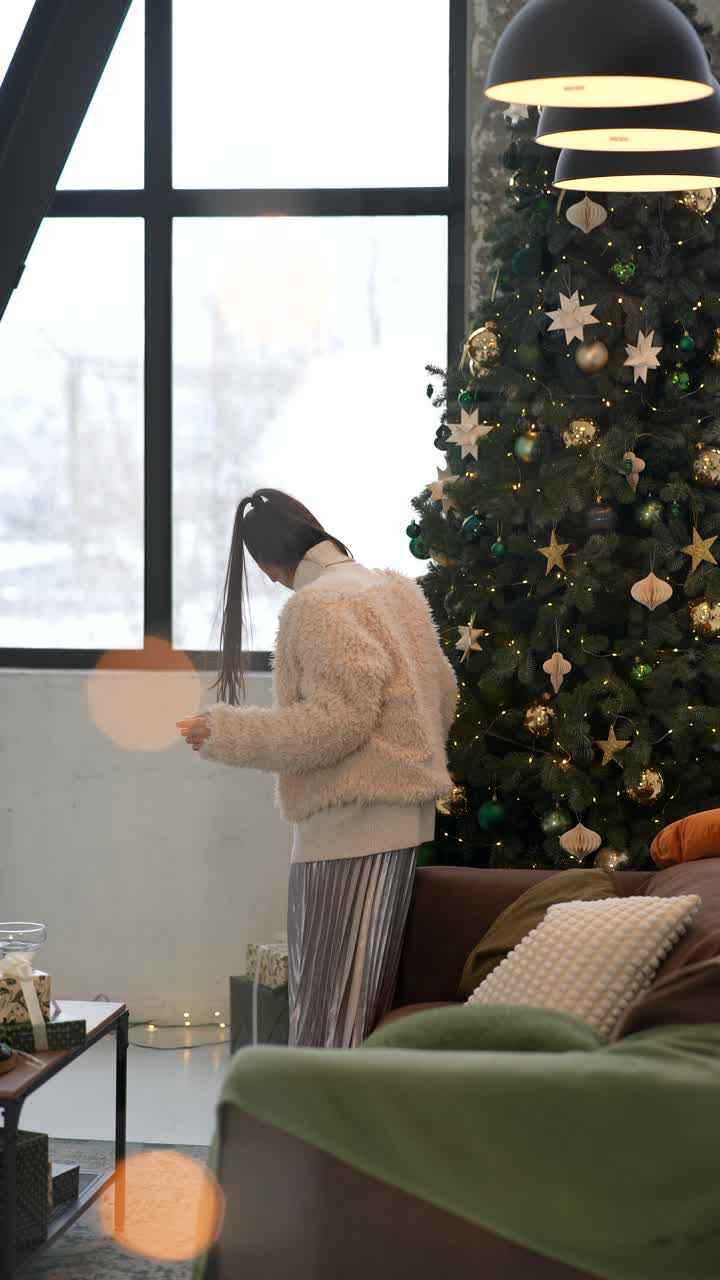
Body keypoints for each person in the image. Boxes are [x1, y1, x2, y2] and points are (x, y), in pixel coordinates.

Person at [177, 489, 458, 1048]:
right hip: (403, 823)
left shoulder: (318, 604)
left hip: (347, 828)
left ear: (265, 565)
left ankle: (311, 1128)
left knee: (329, 1014)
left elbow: (335, 724)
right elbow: (443, 692)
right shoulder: (395, 590)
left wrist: (225, 732)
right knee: (360, 1006)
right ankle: (338, 1127)